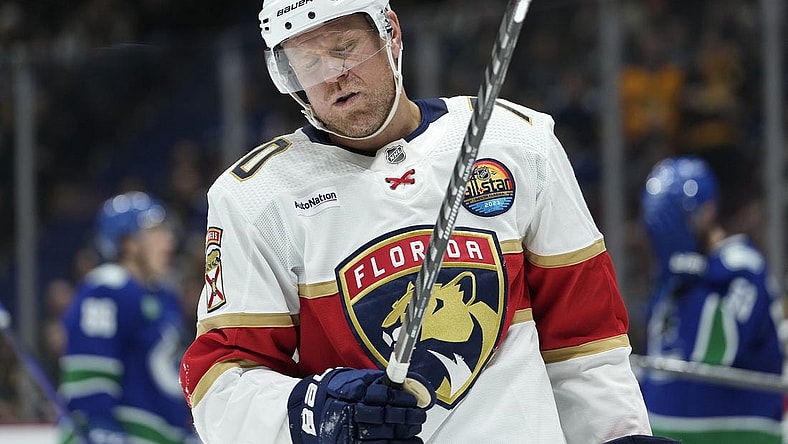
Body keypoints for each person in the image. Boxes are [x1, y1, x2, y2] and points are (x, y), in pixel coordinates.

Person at [179, 1, 677, 443]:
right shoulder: (256, 197)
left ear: (390, 33)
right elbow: (218, 385)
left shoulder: (515, 141)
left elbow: (585, 340)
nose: (334, 75)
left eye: (347, 48)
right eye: (309, 63)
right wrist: (314, 411)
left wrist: (619, 436)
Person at [639, 156, 784, 443]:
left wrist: (696, 278)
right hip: (662, 428)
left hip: (733, 433)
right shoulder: (672, 273)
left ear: (707, 212)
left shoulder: (742, 267)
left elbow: (714, 350)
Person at [59, 192, 199, 443]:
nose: (168, 242)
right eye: (156, 232)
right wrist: (99, 428)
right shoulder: (107, 288)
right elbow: (90, 376)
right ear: (128, 242)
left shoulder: (163, 296)